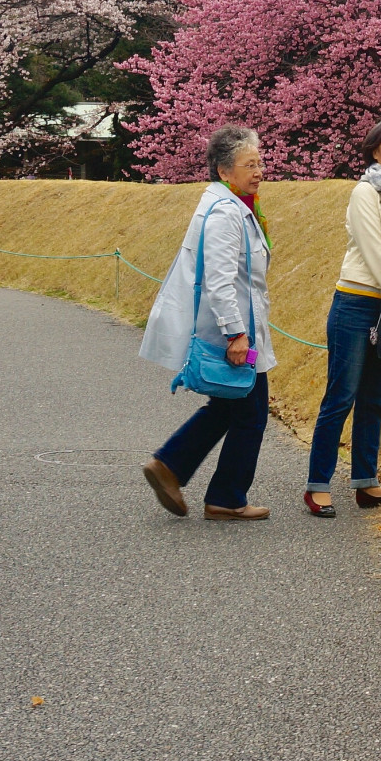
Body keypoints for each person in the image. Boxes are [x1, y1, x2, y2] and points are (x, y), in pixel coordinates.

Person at [137, 126, 275, 522]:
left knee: (229, 407)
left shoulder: (236, 205)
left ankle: (171, 466)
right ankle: (225, 496)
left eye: (260, 162)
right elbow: (218, 279)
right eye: (250, 164)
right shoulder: (225, 212)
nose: (259, 170)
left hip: (236, 326)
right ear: (223, 170)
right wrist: (236, 333)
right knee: (250, 414)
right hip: (232, 331)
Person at [303, 115, 381, 518]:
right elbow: (376, 254)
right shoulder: (365, 192)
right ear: (375, 150)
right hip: (356, 304)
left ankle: (365, 482)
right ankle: (317, 485)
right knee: (341, 396)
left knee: (374, 399)